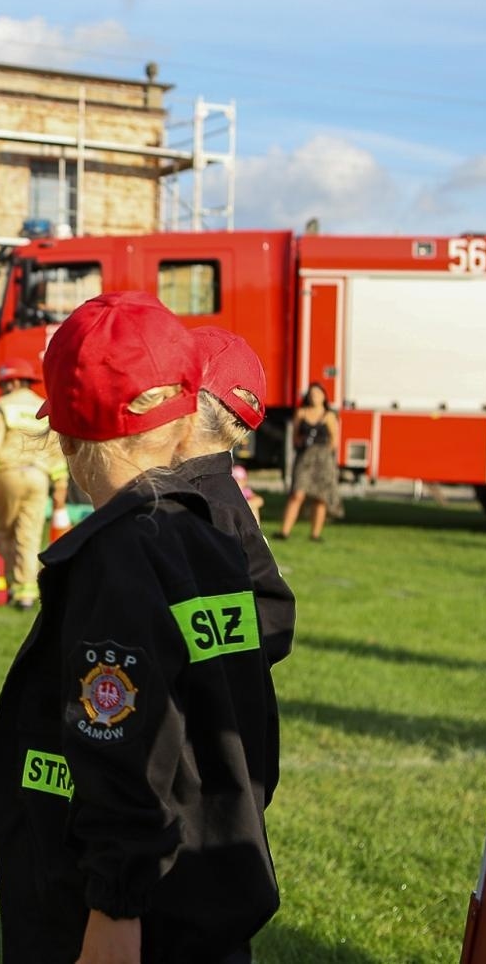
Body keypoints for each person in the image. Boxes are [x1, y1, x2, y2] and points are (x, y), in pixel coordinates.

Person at [0, 292, 279, 964]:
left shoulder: (115, 558)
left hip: (131, 913)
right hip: (207, 880)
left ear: (63, 433)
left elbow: (117, 743)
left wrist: (115, 908)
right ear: (184, 423)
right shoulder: (212, 542)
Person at [173, 326, 295, 809]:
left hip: (204, 765)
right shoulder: (218, 495)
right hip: (230, 751)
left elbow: (274, 614)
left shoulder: (200, 507)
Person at [0, 356, 67, 610]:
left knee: (5, 532)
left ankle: (4, 586)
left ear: (14, 382)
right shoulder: (42, 407)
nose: (4, 389)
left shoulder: (3, 405)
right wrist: (60, 485)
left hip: (9, 475)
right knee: (29, 536)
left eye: (5, 383)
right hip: (39, 477)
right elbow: (54, 450)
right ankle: (26, 593)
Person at [278, 381, 341, 542]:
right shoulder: (301, 413)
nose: (314, 397)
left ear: (323, 397)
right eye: (312, 394)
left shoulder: (329, 416)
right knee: (297, 494)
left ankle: (315, 534)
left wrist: (325, 455)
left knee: (320, 497)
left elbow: (334, 440)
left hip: (322, 459)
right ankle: (284, 531)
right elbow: (295, 436)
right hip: (304, 458)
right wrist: (301, 443)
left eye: (318, 394)